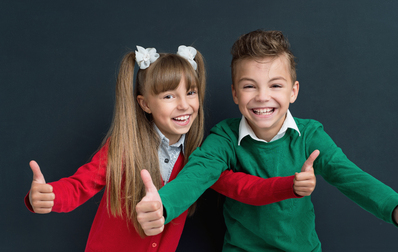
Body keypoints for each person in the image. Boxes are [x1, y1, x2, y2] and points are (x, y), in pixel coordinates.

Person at [139, 30, 398, 251]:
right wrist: (162, 206)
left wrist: (397, 210)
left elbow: (350, 177)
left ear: (293, 91)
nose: (263, 96)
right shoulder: (224, 137)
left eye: (275, 85)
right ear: (234, 94)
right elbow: (196, 174)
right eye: (249, 86)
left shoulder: (310, 136)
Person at [25, 44, 316, 252]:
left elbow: (242, 187)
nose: (184, 105)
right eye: (168, 95)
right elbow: (79, 186)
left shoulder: (198, 158)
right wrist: (49, 196)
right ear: (144, 104)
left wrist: (291, 185)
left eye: (190, 93)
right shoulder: (124, 148)